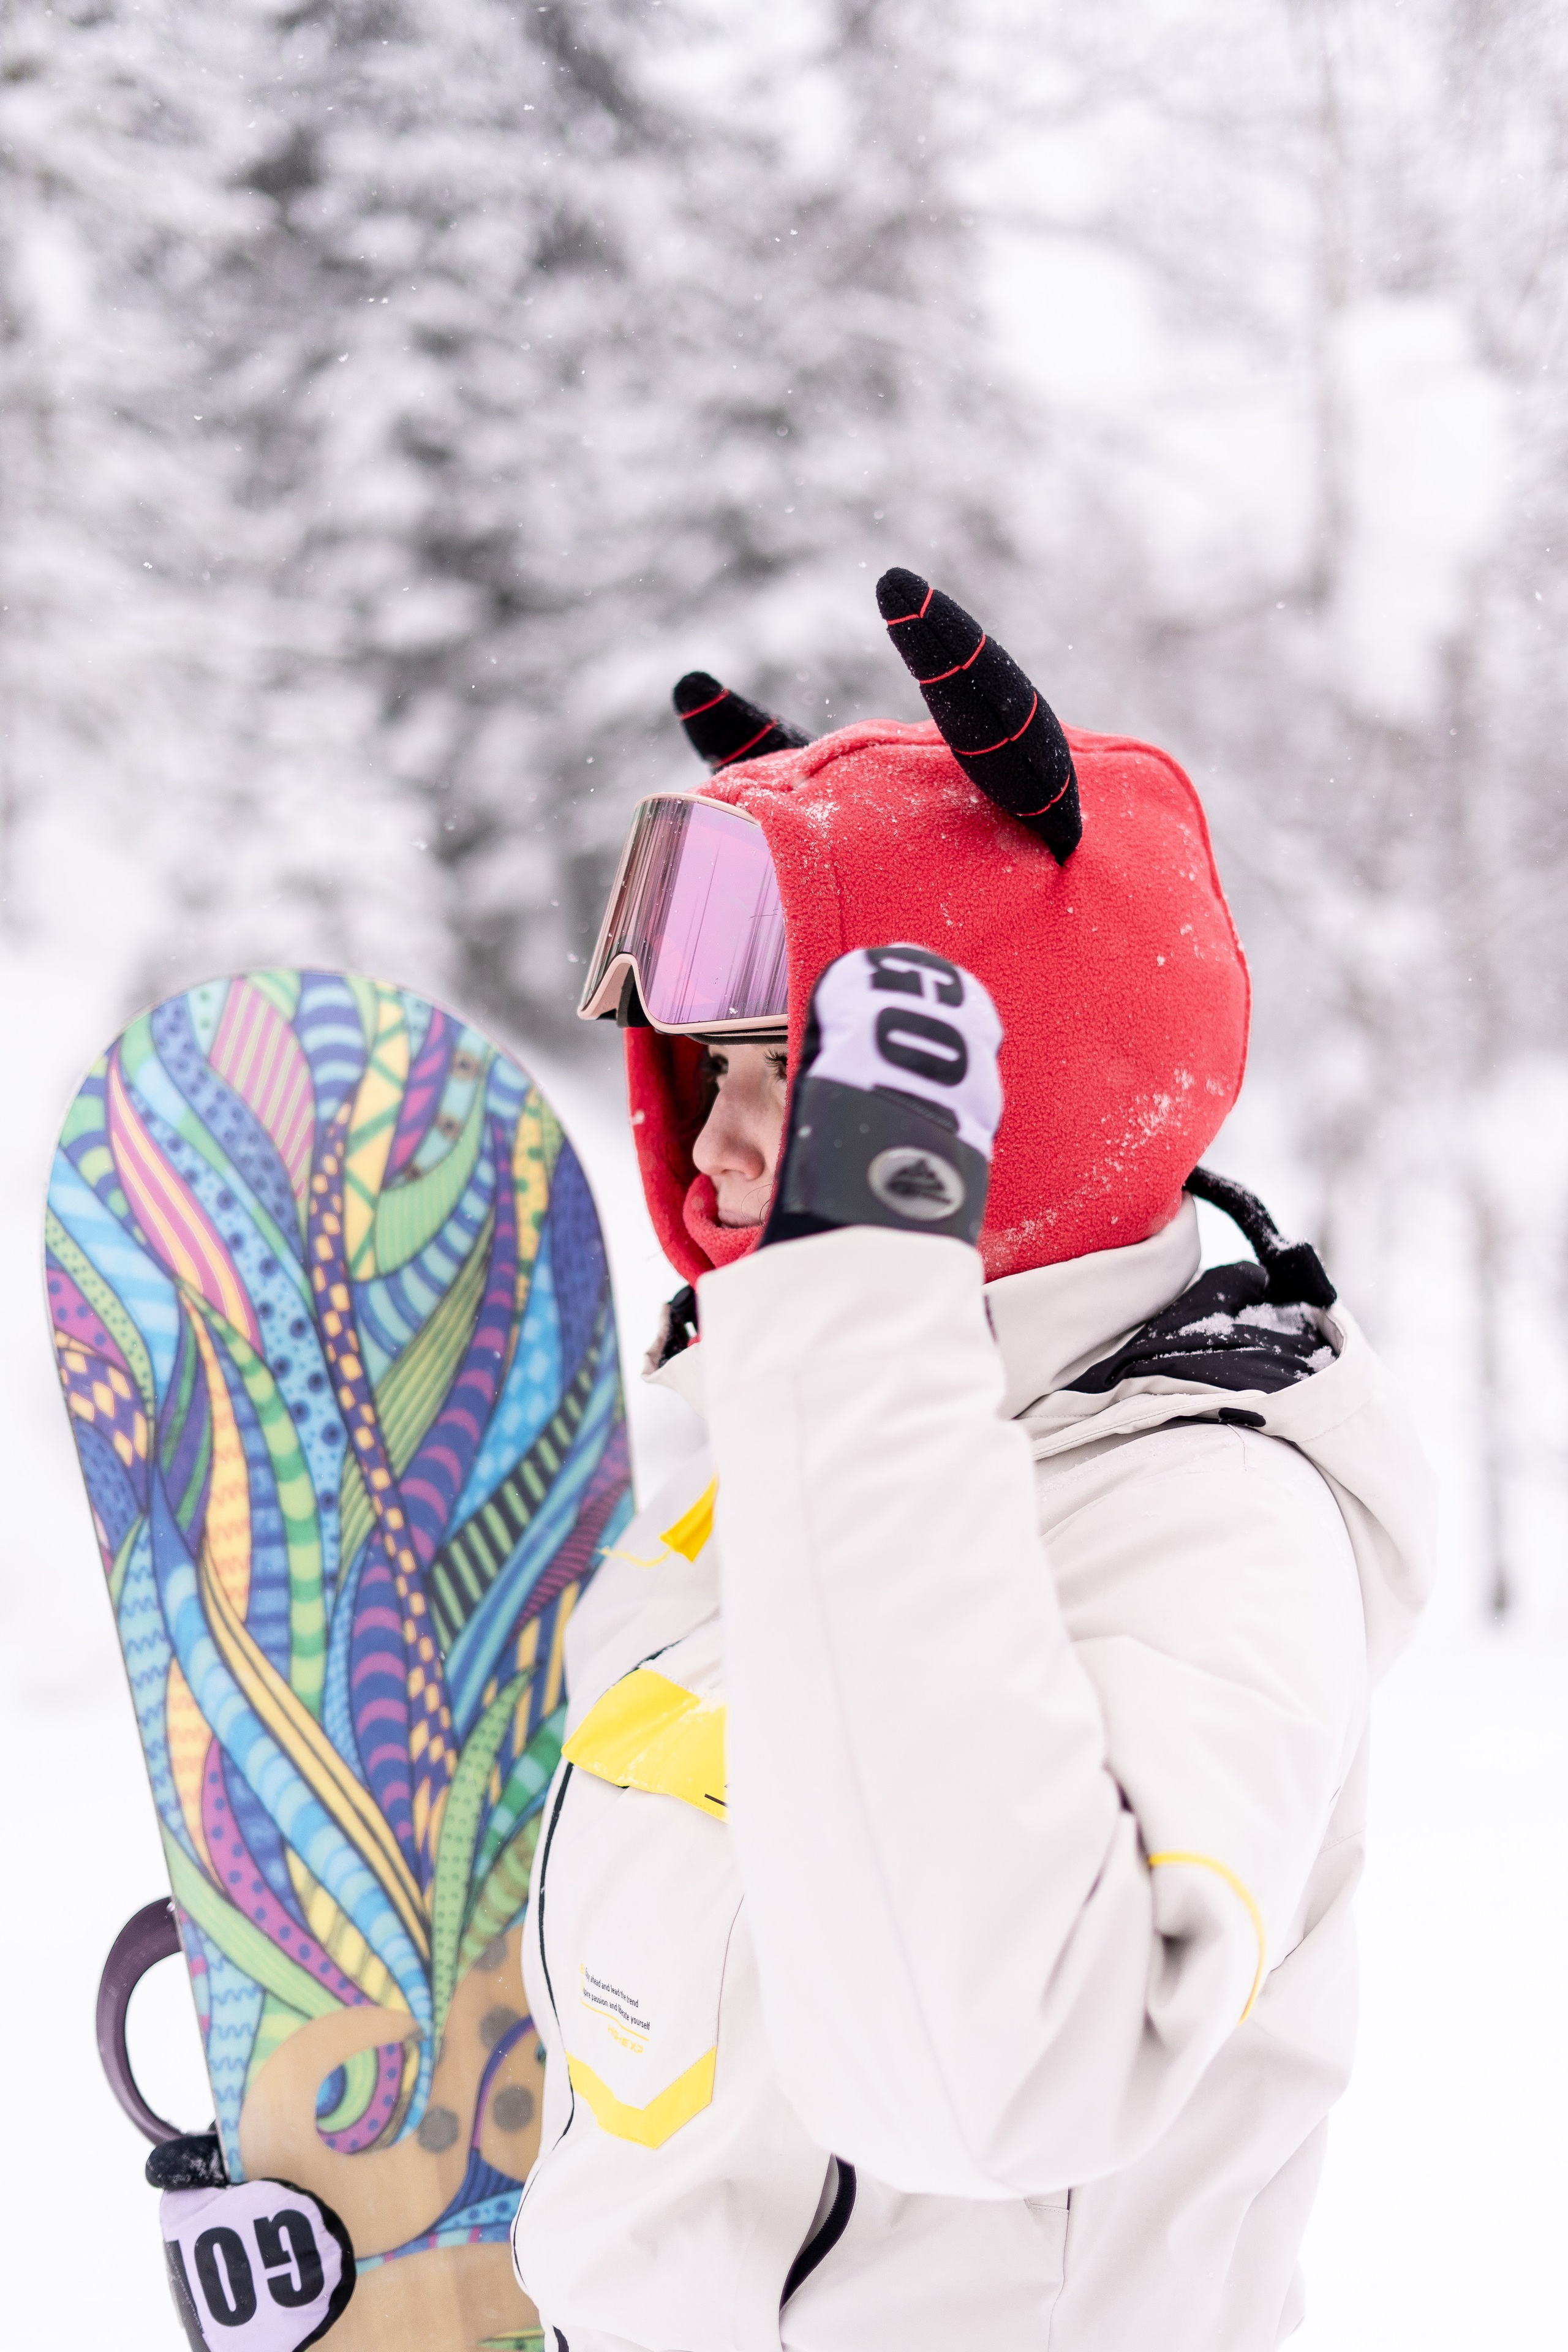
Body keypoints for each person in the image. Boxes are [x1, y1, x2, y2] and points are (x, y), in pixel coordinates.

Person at [509, 571, 1436, 2352]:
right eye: (702, 1067)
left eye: (795, 1069)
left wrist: (858, 1314)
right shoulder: (795, 1465)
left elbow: (984, 2082)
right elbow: (694, 2099)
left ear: (992, 1104)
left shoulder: (1218, 1521)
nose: (721, 1137)